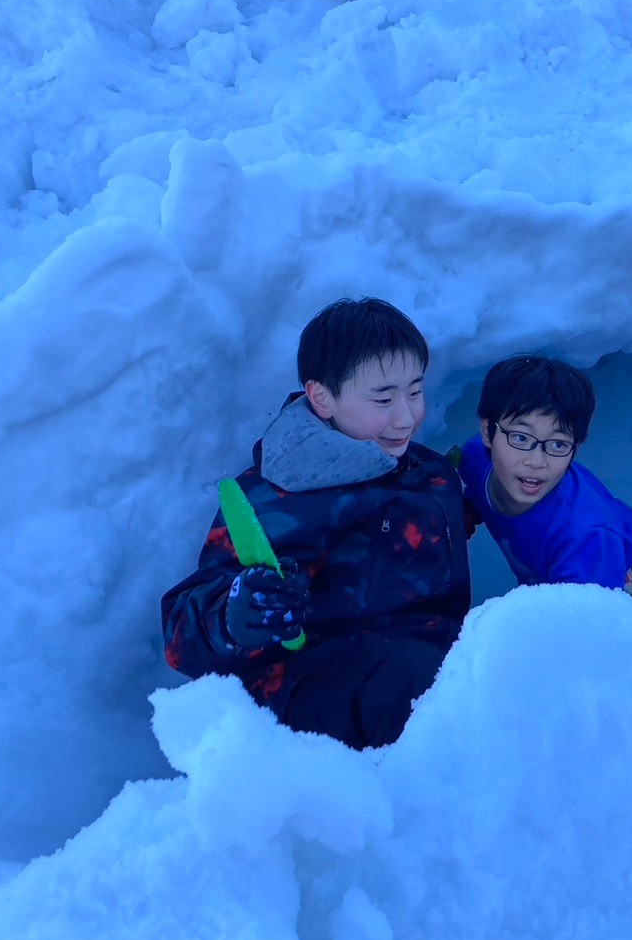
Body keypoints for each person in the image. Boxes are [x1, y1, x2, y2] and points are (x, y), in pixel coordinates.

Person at [161, 297, 471, 750]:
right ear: (322, 397)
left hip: (425, 669)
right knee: (417, 680)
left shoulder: (422, 469)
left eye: (415, 391)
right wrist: (236, 614)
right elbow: (179, 634)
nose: (406, 416)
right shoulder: (287, 491)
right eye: (383, 398)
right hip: (320, 695)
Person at [455, 355, 632, 609]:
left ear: (576, 448)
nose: (536, 461)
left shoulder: (584, 538)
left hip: (616, 577)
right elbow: (478, 491)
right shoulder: (474, 458)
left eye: (557, 444)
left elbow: (589, 619)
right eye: (520, 438)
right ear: (488, 432)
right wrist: (467, 510)